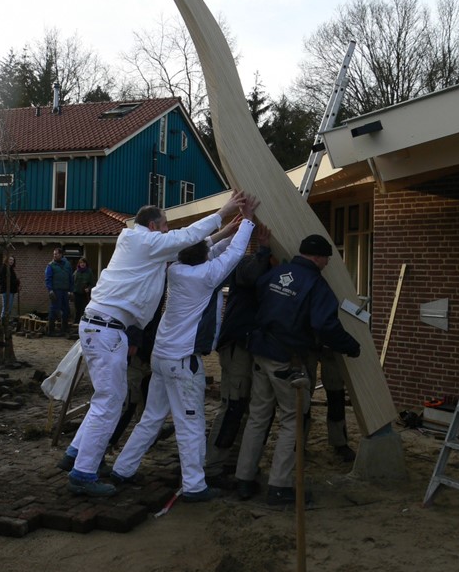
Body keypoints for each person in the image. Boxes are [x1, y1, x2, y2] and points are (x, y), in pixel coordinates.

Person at [65, 190, 250, 497]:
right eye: (165, 226)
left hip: (140, 344)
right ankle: (85, 472)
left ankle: (104, 463)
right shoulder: (149, 245)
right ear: (153, 226)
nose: (168, 231)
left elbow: (193, 247)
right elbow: (212, 251)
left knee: (141, 413)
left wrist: (226, 230)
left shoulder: (169, 264)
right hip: (125, 337)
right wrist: (239, 220)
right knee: (116, 403)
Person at [109, 203, 260, 502]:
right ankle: (194, 486)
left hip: (162, 358)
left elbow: (206, 250)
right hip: (182, 363)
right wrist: (248, 224)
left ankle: (122, 469)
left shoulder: (177, 269)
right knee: (190, 423)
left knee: (151, 417)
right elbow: (230, 257)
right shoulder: (204, 277)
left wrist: (229, 229)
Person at [234, 234, 361, 506]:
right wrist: (351, 346)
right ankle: (280, 486)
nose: (327, 263)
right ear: (316, 257)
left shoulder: (276, 273)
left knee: (258, 416)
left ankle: (244, 479)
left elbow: (261, 296)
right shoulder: (316, 285)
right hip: (285, 359)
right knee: (293, 419)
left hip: (261, 353)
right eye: (327, 257)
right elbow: (326, 326)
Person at [203, 224, 275, 482]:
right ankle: (213, 467)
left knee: (249, 408)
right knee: (233, 404)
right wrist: (264, 250)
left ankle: (236, 463)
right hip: (237, 345)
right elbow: (253, 277)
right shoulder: (246, 265)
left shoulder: (272, 267)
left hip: (253, 344)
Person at [45, 247, 75, 335]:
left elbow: (70, 278)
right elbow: (48, 279)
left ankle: (64, 329)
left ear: (61, 255)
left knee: (66, 310)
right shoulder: (50, 265)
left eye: (56, 254)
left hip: (65, 291)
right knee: (54, 309)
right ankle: (51, 330)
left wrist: (71, 291)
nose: (55, 255)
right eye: (54, 254)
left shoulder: (67, 265)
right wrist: (50, 290)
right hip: (56, 291)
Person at [71, 257, 96, 322]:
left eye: (84, 263)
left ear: (86, 264)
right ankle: (76, 323)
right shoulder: (76, 272)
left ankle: (83, 322)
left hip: (84, 294)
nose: (82, 264)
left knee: (83, 309)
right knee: (77, 309)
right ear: (79, 264)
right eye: (81, 263)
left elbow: (92, 283)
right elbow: (71, 282)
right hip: (76, 293)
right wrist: (71, 291)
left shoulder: (89, 272)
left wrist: (88, 288)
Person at [0, 254, 20, 323]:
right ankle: (2, 322)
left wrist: (17, 282)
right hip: (6, 291)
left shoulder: (11, 269)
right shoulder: (4, 268)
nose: (11, 261)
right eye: (10, 259)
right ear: (7, 260)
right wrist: (14, 281)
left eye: (13, 260)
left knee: (9, 308)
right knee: (6, 308)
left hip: (11, 291)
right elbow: (3, 280)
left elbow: (13, 279)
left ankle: (6, 322)